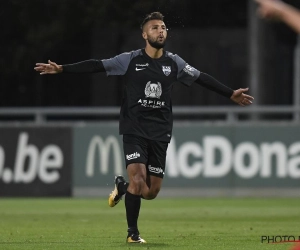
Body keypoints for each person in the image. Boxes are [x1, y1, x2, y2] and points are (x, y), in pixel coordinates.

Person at [34, 12, 254, 243]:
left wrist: (230, 93)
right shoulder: (129, 59)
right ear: (144, 34)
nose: (160, 31)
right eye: (155, 28)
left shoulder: (174, 62)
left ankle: (122, 186)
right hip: (133, 128)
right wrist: (63, 69)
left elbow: (201, 77)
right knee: (138, 179)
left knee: (150, 192)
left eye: (163, 27)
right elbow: (97, 66)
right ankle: (133, 234)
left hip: (160, 131)